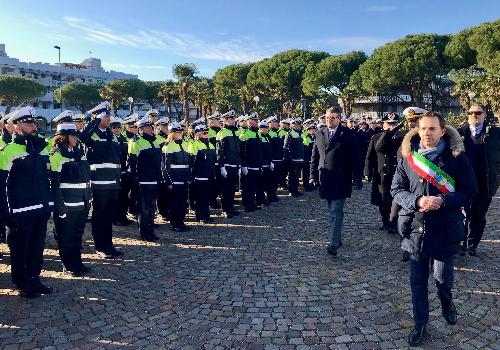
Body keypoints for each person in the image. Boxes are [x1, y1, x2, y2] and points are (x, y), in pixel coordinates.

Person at [391, 112, 477, 347]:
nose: (427, 134)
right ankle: (420, 324)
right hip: (415, 231)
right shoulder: (407, 158)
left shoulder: (457, 158)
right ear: (417, 131)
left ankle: (447, 302)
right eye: (423, 129)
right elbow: (396, 190)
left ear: (442, 131)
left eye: (432, 129)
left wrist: (444, 200)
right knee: (417, 283)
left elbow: (469, 192)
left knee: (442, 280)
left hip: (445, 230)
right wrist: (417, 201)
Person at [0, 106, 54, 298]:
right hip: (20, 211)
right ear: (16, 127)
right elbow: (2, 186)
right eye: (28, 123)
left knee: (37, 248)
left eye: (34, 123)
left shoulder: (41, 149)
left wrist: (49, 204)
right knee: (20, 249)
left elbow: (47, 178)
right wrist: (6, 214)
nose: (33, 126)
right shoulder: (8, 151)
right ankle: (21, 282)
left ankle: (34, 278)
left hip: (40, 209)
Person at [310, 107, 362, 257]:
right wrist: (313, 175)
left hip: (341, 178)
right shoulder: (319, 133)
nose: (329, 119)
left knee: (335, 211)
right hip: (325, 178)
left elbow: (355, 157)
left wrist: (357, 176)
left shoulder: (348, 133)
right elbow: (315, 155)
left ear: (339, 118)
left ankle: (333, 244)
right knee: (331, 210)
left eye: (332, 117)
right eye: (327, 117)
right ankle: (337, 237)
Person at [79, 102, 123, 259]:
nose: (109, 119)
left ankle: (108, 244)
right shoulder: (92, 133)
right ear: (97, 117)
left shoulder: (111, 134)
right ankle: (100, 246)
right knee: (99, 215)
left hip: (113, 182)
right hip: (99, 183)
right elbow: (82, 137)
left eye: (109, 116)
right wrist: (95, 121)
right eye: (105, 116)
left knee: (108, 215)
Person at [457, 103, 500, 256]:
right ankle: (460, 245)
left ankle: (472, 245)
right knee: (461, 215)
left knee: (478, 216)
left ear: (484, 115)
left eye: (477, 112)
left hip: (485, 183)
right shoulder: (458, 133)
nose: (473, 115)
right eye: (471, 112)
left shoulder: (495, 133)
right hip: (463, 184)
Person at [50, 124, 92, 277]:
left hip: (82, 203)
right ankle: (69, 265)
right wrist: (60, 207)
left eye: (76, 135)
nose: (76, 138)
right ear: (64, 137)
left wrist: (88, 199)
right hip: (67, 205)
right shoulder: (56, 155)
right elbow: (54, 185)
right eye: (73, 135)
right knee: (66, 237)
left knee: (77, 235)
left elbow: (86, 177)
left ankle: (77, 262)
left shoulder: (79, 153)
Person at [374, 113, 406, 234]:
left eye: (393, 124)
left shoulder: (403, 137)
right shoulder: (378, 137)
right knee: (384, 199)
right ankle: (385, 221)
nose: (390, 126)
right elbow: (377, 150)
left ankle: (394, 222)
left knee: (396, 199)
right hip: (383, 173)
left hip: (397, 172)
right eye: (388, 124)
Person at [162, 122, 192, 232]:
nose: (180, 134)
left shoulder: (184, 144)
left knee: (183, 202)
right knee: (175, 202)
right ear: (172, 134)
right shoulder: (168, 146)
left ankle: (181, 222)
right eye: (177, 132)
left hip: (183, 177)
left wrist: (188, 177)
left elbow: (187, 163)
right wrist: (168, 182)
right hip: (175, 178)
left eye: (181, 132)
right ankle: (175, 223)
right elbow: (165, 166)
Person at [188, 124, 217, 223]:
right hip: (199, 176)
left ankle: (206, 215)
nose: (206, 133)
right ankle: (200, 216)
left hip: (209, 175)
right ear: (198, 133)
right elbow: (192, 162)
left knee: (207, 196)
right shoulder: (194, 145)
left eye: (207, 132)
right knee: (200, 197)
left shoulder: (211, 145)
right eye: (203, 132)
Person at [216, 110, 241, 218]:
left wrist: (239, 164)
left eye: (233, 118)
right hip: (227, 165)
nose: (233, 120)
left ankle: (230, 208)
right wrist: (221, 166)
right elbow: (219, 151)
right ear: (225, 120)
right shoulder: (222, 132)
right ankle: (225, 209)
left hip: (235, 164)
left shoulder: (236, 131)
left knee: (232, 188)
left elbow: (239, 150)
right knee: (226, 189)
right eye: (231, 119)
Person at [110, 117, 133, 226]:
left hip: (124, 171)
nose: (117, 129)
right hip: (114, 173)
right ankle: (116, 217)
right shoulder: (110, 139)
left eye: (119, 127)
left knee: (124, 195)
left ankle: (123, 216)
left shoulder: (124, 139)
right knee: (116, 197)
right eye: (114, 127)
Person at [239, 113, 262, 212]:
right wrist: (244, 165)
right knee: (248, 187)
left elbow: (260, 151)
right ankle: (247, 205)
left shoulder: (258, 133)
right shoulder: (245, 134)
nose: (257, 122)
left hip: (256, 164)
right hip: (248, 165)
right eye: (255, 121)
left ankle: (252, 203)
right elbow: (242, 151)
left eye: (257, 120)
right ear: (249, 122)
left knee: (254, 187)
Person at [284, 119, 305, 197]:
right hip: (293, 159)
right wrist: (290, 158)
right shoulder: (290, 133)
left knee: (297, 176)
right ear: (293, 126)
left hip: (299, 158)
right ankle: (292, 191)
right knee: (292, 176)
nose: (298, 126)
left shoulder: (299, 133)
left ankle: (296, 190)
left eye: (299, 125)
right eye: (296, 125)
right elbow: (286, 147)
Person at [256, 120, 274, 206]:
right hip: (262, 163)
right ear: (261, 129)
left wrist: (270, 161)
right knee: (260, 184)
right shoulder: (260, 137)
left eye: (267, 127)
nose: (267, 129)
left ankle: (265, 198)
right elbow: (260, 152)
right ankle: (260, 200)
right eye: (266, 128)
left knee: (267, 182)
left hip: (267, 162)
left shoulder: (267, 137)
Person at [267, 116, 283, 201]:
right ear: (270, 123)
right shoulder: (269, 134)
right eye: (274, 122)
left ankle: (274, 193)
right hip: (273, 160)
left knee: (276, 178)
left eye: (277, 122)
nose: (277, 123)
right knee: (271, 179)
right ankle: (270, 195)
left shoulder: (278, 133)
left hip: (279, 158)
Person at [302, 123, 317, 191]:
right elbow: (306, 149)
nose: (313, 131)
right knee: (306, 172)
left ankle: (313, 184)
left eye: (314, 129)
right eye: (311, 129)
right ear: (308, 130)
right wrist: (308, 158)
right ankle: (306, 185)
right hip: (308, 158)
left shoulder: (316, 137)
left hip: (314, 158)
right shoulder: (306, 138)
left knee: (313, 172)